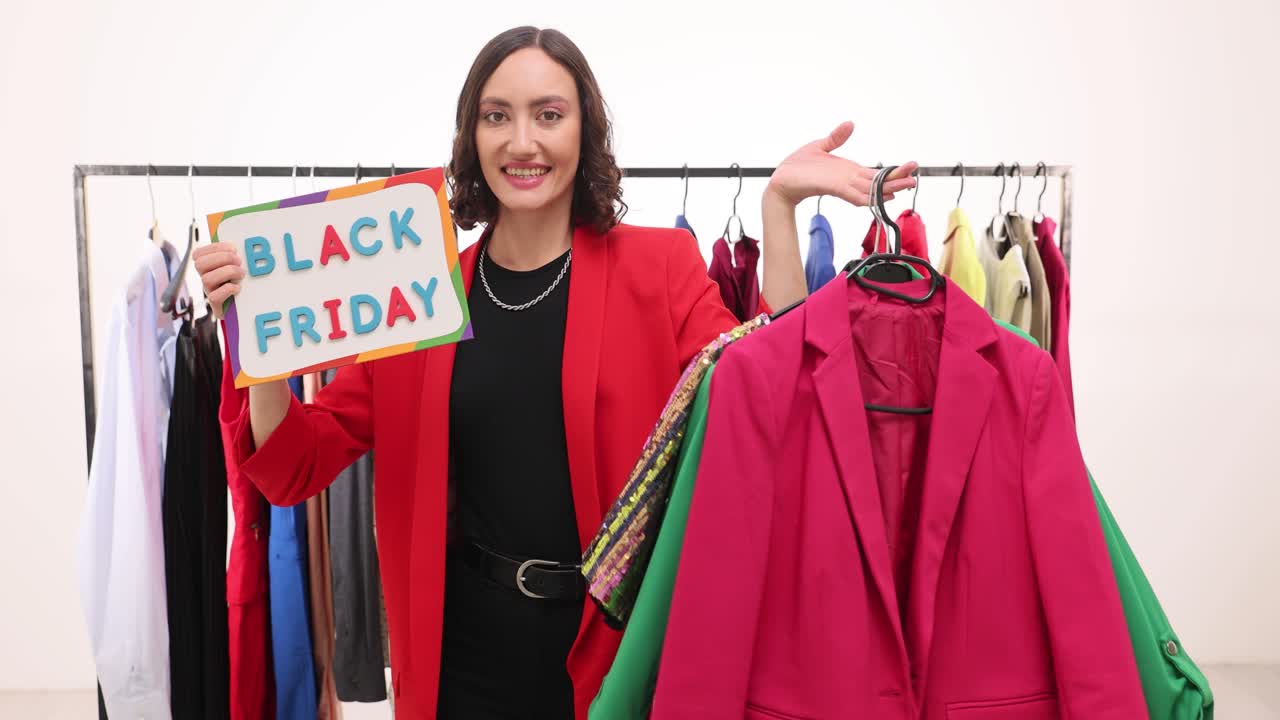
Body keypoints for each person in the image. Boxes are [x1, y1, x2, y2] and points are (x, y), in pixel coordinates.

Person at [195, 25, 917, 720]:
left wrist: (779, 207)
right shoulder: (418, 294)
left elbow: (764, 393)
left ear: (584, 132)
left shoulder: (657, 268)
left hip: (612, 650)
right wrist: (264, 347)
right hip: (461, 660)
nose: (522, 141)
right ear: (471, 138)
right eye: (496, 116)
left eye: (549, 115)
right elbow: (296, 464)